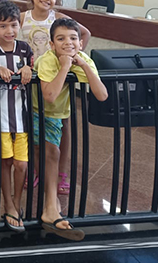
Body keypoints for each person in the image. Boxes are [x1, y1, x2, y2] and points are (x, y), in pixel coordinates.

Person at [34, 18, 107, 241]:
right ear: (51, 44)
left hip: (56, 116)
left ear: (81, 43)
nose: (68, 43)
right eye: (61, 39)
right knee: (49, 154)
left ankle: (51, 205)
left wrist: (83, 65)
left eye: (74, 38)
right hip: (35, 111)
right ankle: (50, 207)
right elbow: (49, 95)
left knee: (48, 156)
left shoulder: (83, 59)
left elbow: (102, 95)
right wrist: (65, 66)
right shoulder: (47, 60)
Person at [20, 0, 91, 195]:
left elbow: (85, 33)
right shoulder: (22, 17)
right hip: (31, 77)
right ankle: (34, 169)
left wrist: (73, 55)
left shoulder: (59, 18)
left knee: (63, 124)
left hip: (56, 77)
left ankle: (61, 172)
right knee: (31, 123)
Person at [0, 1, 33, 232]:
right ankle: (8, 203)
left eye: (14, 25)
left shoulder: (24, 48)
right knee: (5, 161)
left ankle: (17, 201)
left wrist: (28, 69)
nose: (9, 30)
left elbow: (33, 67)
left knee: (22, 163)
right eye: (3, 26)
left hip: (22, 114)